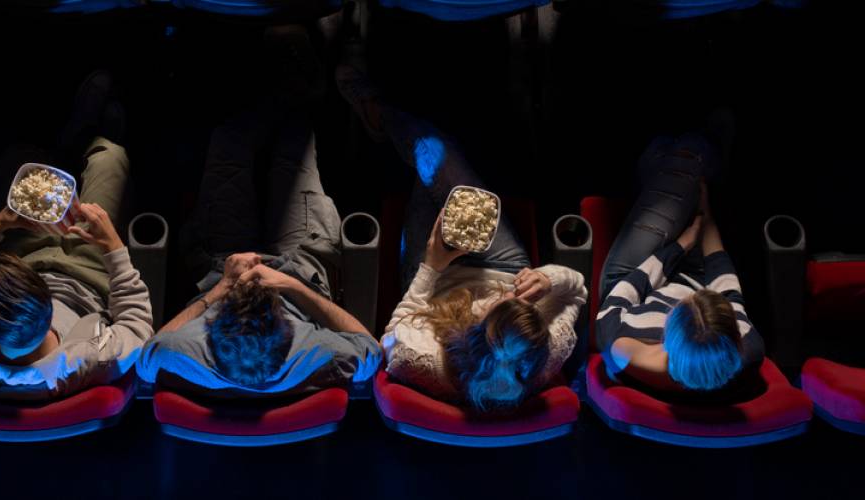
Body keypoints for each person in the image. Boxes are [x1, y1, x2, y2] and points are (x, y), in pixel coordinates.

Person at [136, 26, 381, 396]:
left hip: (223, 260)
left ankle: (271, 84)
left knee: (226, 145)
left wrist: (225, 286)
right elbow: (372, 352)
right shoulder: (311, 353)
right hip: (301, 264)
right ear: (289, 333)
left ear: (211, 336)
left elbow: (149, 355)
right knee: (293, 152)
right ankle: (297, 91)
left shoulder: (192, 353)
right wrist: (290, 286)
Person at [335, 60, 587, 410]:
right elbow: (577, 291)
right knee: (438, 165)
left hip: (437, 284)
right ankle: (407, 119)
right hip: (504, 265)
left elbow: (391, 338)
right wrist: (547, 279)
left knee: (435, 161)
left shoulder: (423, 360)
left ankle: (380, 115)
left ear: (472, 334)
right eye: (525, 305)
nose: (517, 297)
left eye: (505, 304)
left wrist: (432, 266)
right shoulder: (544, 355)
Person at [0, 71, 154, 400]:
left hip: (28, 262)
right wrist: (114, 248)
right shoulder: (92, 359)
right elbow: (137, 324)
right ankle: (97, 140)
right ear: (48, 314)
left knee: (22, 159)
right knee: (111, 159)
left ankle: (73, 138)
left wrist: (0, 224)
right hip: (90, 275)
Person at [596, 132, 765, 396]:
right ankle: (688, 152)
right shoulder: (746, 349)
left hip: (634, 276)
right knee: (692, 181)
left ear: (667, 335)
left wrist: (680, 246)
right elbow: (726, 285)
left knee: (685, 161)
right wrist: (706, 218)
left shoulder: (624, 349)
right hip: (698, 274)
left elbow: (620, 294)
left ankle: (673, 149)